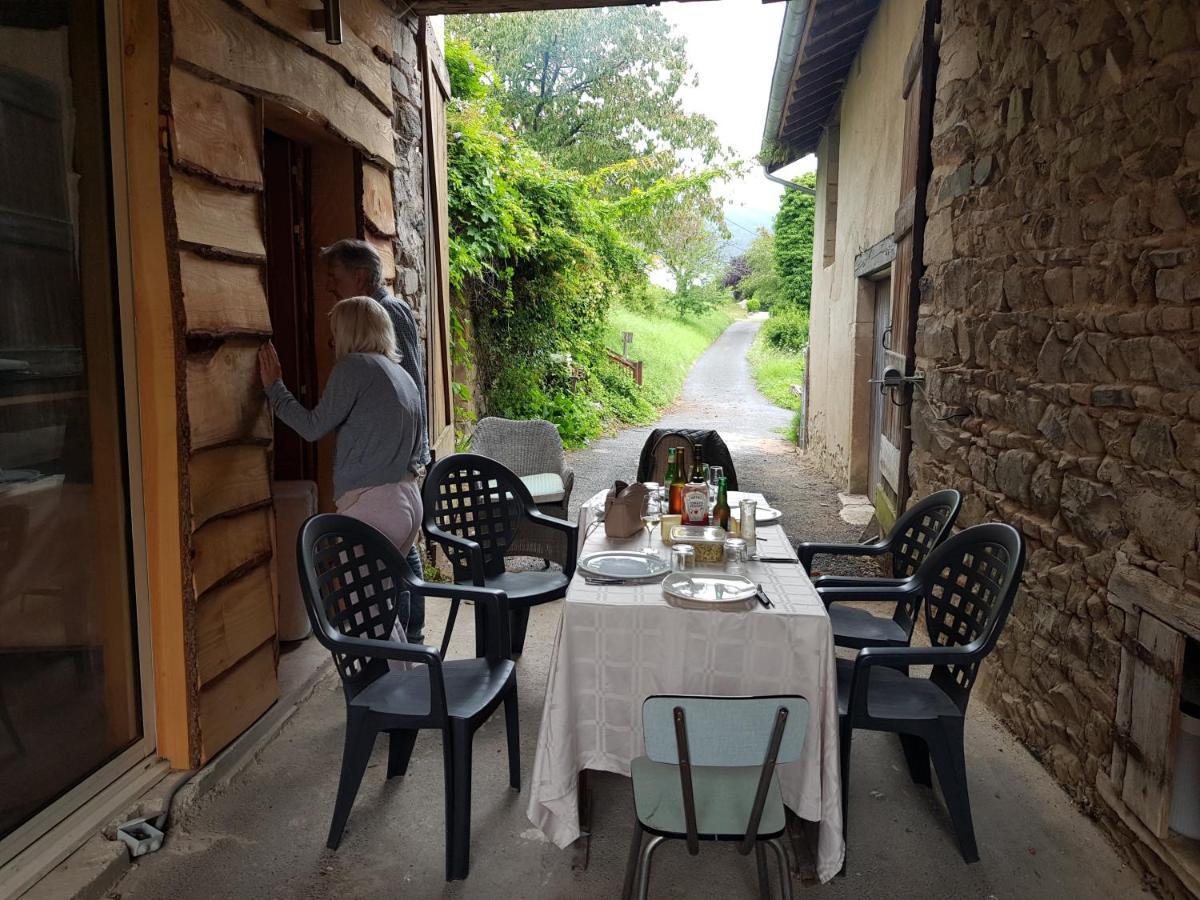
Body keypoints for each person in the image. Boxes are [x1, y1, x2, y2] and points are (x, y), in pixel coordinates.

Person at [259, 297, 424, 649]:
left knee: (366, 618)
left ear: (349, 331)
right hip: (408, 501)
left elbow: (312, 427)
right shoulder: (403, 376)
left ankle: (396, 695)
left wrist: (275, 388)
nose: (331, 342)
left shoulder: (353, 368)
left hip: (372, 506)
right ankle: (408, 682)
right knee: (385, 612)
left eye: (334, 332)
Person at [319, 239, 430, 643]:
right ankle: (405, 641)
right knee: (401, 552)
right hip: (395, 458)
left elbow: (411, 383)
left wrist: (414, 449)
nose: (331, 287)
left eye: (336, 277)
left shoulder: (386, 312)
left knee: (393, 561)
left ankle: (406, 640)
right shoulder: (374, 315)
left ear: (360, 276)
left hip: (397, 459)